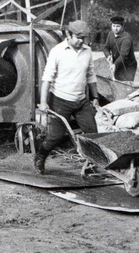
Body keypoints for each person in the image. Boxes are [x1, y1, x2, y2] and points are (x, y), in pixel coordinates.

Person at [35, 20, 100, 174]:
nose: (81, 41)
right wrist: (43, 102)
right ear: (68, 34)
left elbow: (91, 75)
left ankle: (92, 163)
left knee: (93, 134)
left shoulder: (87, 51)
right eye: (78, 37)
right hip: (60, 100)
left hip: (81, 101)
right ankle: (40, 157)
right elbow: (47, 78)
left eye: (84, 38)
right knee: (55, 136)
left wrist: (95, 97)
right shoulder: (57, 51)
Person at [103, 16, 137, 81]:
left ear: (122, 27)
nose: (115, 28)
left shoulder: (126, 39)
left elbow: (123, 55)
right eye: (114, 26)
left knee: (126, 85)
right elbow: (106, 47)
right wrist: (108, 55)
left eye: (118, 26)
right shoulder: (110, 34)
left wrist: (115, 64)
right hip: (118, 63)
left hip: (128, 66)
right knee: (116, 82)